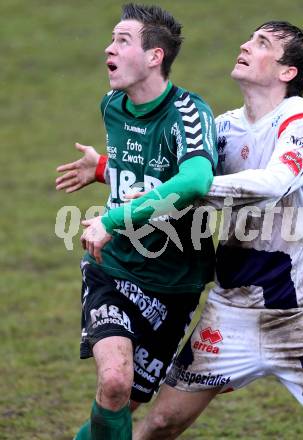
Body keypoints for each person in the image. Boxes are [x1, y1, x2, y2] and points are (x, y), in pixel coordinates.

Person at [57, 20, 303, 440]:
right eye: (249, 38)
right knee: (161, 422)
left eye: (262, 43)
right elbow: (167, 177)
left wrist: (197, 188)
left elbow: (272, 183)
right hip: (234, 307)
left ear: (287, 72)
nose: (245, 45)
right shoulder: (224, 128)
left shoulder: (300, 117)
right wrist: (106, 168)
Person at [56, 3, 217, 440]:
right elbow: (145, 170)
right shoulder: (113, 106)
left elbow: (196, 178)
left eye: (122, 40)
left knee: (122, 403)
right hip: (113, 266)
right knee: (113, 382)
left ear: (154, 56)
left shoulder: (187, 113)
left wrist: (115, 215)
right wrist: (105, 169)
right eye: (112, 39)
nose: (109, 48)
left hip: (174, 286)